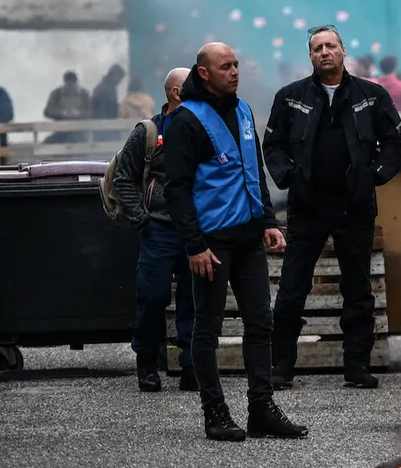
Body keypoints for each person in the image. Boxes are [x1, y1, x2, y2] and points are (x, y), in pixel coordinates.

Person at [164, 42, 307, 441]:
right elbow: (175, 190)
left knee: (261, 324)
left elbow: (253, 171)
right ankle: (215, 413)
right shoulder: (186, 121)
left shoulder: (243, 110)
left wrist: (267, 220)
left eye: (237, 65)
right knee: (207, 330)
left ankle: (261, 409)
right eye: (225, 67)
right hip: (211, 243)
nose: (235, 72)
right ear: (204, 73)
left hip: (247, 239)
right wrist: (193, 245)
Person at [263, 25, 401, 390]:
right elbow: (273, 145)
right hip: (307, 207)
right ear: (310, 56)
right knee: (293, 288)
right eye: (316, 48)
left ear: (343, 51)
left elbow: (396, 141)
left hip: (354, 207)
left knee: (357, 288)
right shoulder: (290, 97)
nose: (324, 52)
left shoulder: (372, 96)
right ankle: (280, 367)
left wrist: (373, 176)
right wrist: (291, 178)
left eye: (330, 46)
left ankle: (356, 366)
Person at [114, 67, 198, 393]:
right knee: (152, 297)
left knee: (195, 299)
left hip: (196, 230)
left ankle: (192, 364)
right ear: (176, 92)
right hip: (159, 230)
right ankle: (146, 362)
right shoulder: (148, 132)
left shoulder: (204, 128)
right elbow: (123, 177)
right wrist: (142, 219)